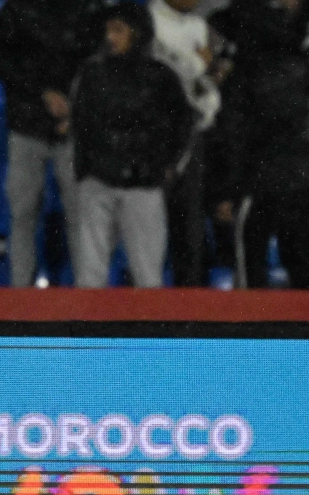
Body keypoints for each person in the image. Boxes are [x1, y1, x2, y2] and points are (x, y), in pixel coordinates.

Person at [70, 1, 192, 288]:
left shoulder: (162, 78)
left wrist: (164, 166)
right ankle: (86, 332)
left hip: (143, 185)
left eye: (118, 30)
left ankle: (148, 332)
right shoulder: (93, 74)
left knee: (148, 276)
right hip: (98, 183)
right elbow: (82, 124)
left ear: (137, 33)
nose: (110, 37)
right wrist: (87, 169)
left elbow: (181, 127)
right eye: (108, 30)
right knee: (90, 276)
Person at [0, 0, 101, 287]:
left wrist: (75, 106)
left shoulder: (88, 9)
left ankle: (86, 295)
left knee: (80, 213)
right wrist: (41, 92)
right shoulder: (17, 9)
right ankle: (20, 291)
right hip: (26, 126)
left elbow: (98, 64)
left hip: (74, 129)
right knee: (23, 211)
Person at [210, 0, 309, 289]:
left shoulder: (243, 77)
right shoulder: (303, 70)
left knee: (251, 267)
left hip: (256, 182)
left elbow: (234, 136)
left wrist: (227, 190)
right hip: (298, 179)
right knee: (300, 264)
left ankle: (250, 329)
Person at [150, 0, 221, 287]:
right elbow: (166, 72)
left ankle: (187, 313)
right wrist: (197, 63)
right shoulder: (149, 20)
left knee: (190, 229)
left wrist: (209, 91)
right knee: (150, 232)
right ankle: (143, 314)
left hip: (192, 136)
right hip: (156, 137)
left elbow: (203, 83)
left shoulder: (199, 26)